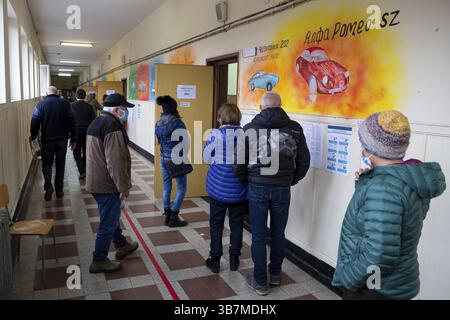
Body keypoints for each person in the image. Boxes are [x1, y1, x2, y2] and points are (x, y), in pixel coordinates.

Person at [332, 111, 446, 300]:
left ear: (372, 149)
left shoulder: (383, 188)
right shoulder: (406, 179)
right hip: (393, 282)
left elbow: (379, 254)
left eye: (363, 142)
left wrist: (349, 278)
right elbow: (388, 224)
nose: (362, 146)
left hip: (374, 287)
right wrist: (366, 184)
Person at [234, 91, 310, 296]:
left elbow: (238, 164)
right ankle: (275, 275)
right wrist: (291, 180)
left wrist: (247, 181)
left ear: (261, 108)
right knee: (278, 233)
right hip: (282, 188)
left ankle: (260, 281)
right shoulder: (294, 129)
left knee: (258, 235)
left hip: (257, 187)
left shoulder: (249, 129)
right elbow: (304, 162)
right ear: (281, 105)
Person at [86, 93, 139, 273]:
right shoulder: (112, 126)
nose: (126, 114)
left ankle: (121, 244)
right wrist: (123, 187)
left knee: (111, 216)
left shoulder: (97, 122)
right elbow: (115, 161)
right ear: (117, 110)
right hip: (106, 183)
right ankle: (99, 259)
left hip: (95, 179)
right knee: (108, 222)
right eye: (124, 110)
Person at [203, 103, 248, 274]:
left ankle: (215, 258)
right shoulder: (246, 135)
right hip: (238, 190)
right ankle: (234, 258)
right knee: (237, 223)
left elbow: (206, 157)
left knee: (216, 224)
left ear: (221, 118)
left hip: (218, 189)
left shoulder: (216, 134)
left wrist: (217, 160)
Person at [30, 86, 76, 201]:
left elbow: (34, 121)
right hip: (63, 139)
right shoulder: (66, 104)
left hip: (47, 140)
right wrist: (74, 139)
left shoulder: (40, 105)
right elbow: (72, 121)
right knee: (61, 165)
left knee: (47, 164)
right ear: (57, 92)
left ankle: (48, 186)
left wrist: (34, 135)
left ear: (46, 93)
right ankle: (59, 191)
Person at [155, 95, 189, 228]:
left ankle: (167, 214)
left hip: (163, 158)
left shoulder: (158, 123)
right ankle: (174, 216)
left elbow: (159, 141)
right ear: (174, 108)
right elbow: (185, 142)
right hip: (176, 158)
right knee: (182, 187)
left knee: (166, 186)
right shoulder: (178, 122)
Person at [71, 89, 96, 180]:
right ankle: (85, 168)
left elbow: (68, 120)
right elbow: (94, 120)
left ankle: (82, 171)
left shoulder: (71, 106)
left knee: (76, 151)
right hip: (87, 132)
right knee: (86, 150)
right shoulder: (89, 107)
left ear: (76, 96)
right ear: (85, 96)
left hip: (75, 132)